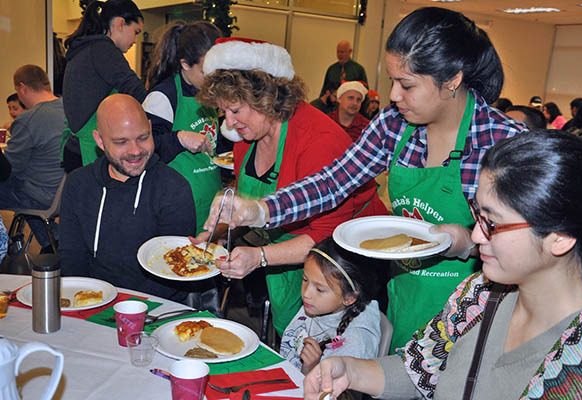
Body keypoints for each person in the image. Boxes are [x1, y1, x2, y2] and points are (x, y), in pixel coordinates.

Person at [202, 7, 525, 351]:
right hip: (409, 295)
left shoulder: (501, 141)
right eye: (392, 82)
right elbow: (332, 182)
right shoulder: (394, 125)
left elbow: (528, 245)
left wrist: (467, 243)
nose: (394, 95)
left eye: (407, 84)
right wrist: (259, 211)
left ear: (453, 80)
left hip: (480, 311)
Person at [304, 130, 582, 400]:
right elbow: (420, 367)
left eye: (493, 223)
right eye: (477, 215)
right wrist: (349, 370)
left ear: (560, 238)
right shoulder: (481, 293)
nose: (477, 235)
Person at [197, 38, 387, 335]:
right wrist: (212, 233)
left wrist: (259, 257)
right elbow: (251, 197)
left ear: (265, 97)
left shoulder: (319, 140)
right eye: (224, 113)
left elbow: (326, 238)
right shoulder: (246, 136)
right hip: (289, 255)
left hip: (341, 272)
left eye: (235, 110)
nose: (230, 124)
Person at [59, 94, 195, 301]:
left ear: (150, 128)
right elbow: (71, 258)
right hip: (91, 300)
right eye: (121, 141)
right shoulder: (78, 185)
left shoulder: (173, 188)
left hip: (154, 306)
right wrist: (89, 302)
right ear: (100, 140)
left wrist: (128, 309)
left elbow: (173, 272)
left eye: (143, 137)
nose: (135, 151)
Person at [143, 21, 222, 234]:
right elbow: (145, 151)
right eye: (207, 71)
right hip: (177, 205)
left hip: (209, 197)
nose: (215, 79)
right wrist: (179, 138)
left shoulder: (207, 92)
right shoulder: (163, 96)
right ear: (185, 64)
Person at [62, 0, 146, 172]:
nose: (135, 41)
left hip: (75, 148)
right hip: (91, 150)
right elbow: (136, 91)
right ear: (120, 23)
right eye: (136, 32)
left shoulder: (85, 48)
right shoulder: (103, 49)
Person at [280, 238, 381, 374]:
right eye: (305, 279)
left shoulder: (356, 345)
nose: (306, 293)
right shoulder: (318, 303)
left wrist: (312, 369)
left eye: (320, 289)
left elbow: (336, 394)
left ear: (349, 298)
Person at [0, 65, 64, 253]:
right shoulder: (67, 108)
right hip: (63, 191)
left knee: (16, 186)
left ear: (22, 88)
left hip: (39, 195)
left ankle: (4, 246)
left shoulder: (29, 119)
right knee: (26, 184)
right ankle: (52, 241)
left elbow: (9, 169)